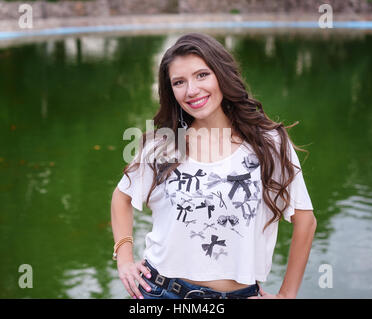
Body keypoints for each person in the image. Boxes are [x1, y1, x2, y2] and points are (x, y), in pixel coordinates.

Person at [110, 33, 316, 299]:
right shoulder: (163, 145)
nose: (191, 90)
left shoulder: (269, 143)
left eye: (201, 75)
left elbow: (305, 221)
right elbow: (121, 196)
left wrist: (286, 295)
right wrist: (124, 258)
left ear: (222, 75)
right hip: (160, 291)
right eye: (179, 82)